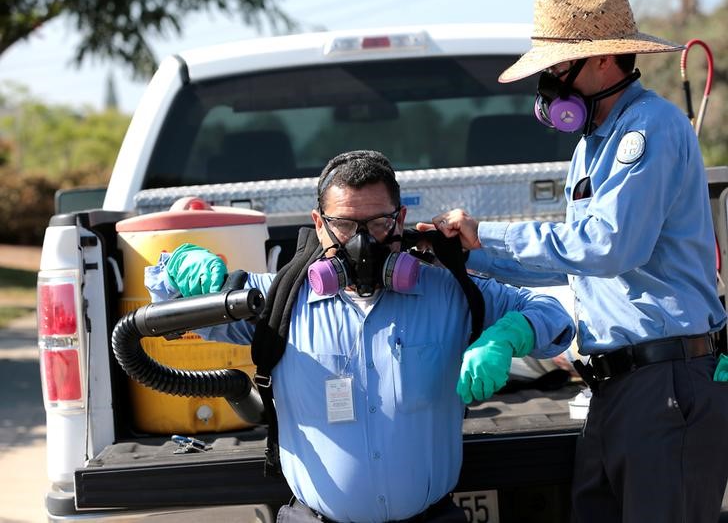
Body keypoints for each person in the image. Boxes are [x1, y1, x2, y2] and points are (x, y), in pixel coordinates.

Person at [419, 0, 728, 522]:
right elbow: (574, 257)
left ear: (604, 58)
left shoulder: (649, 128)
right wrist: (467, 253)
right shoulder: (594, 143)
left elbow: (608, 247)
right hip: (618, 389)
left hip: (665, 385)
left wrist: (487, 234)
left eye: (558, 68)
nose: (547, 84)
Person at [145, 150, 575, 523]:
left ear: (401, 219)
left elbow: (555, 318)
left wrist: (507, 336)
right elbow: (162, 317)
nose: (362, 242)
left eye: (379, 224)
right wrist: (178, 266)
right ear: (318, 224)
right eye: (346, 226)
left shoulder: (450, 293)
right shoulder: (280, 300)